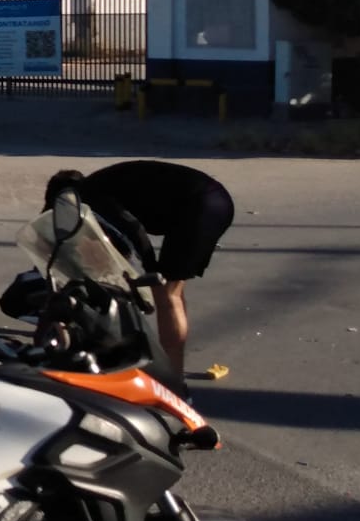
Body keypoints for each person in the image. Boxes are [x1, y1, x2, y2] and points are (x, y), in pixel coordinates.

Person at [43, 162, 235, 382]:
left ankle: (172, 379)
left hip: (200, 207)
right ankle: (174, 365)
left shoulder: (90, 193)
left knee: (166, 294)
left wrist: (150, 269)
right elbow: (119, 236)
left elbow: (132, 228)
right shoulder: (104, 182)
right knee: (175, 291)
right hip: (215, 201)